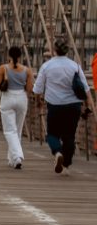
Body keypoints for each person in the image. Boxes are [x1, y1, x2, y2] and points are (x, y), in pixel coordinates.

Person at [37, 39, 90, 172]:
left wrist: (39, 101)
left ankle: (57, 152)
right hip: (73, 106)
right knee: (69, 135)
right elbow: (85, 89)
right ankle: (66, 162)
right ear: (67, 51)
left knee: (52, 134)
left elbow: (38, 88)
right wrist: (88, 105)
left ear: (54, 50)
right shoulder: (75, 66)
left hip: (54, 105)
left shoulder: (47, 66)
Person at [0, 45, 34, 169]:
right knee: (17, 130)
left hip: (8, 97)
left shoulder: (3, 68)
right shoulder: (27, 70)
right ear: (20, 56)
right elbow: (29, 89)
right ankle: (12, 159)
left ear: (9, 55)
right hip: (21, 98)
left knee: (9, 130)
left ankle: (18, 156)